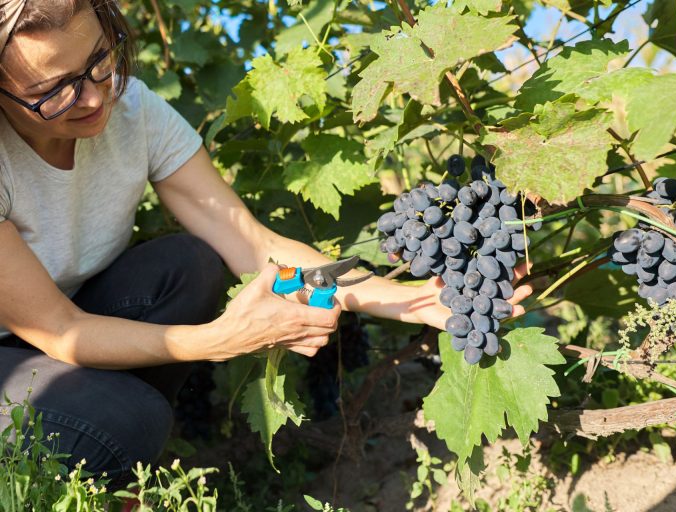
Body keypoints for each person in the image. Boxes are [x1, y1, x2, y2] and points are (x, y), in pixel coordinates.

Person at [0, 0, 532, 488]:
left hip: (59, 328)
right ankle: (95, 444)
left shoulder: (133, 111)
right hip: (29, 341)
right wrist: (221, 339)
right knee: (127, 421)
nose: (94, 95)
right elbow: (62, 331)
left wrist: (411, 301)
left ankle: (103, 439)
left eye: (99, 59)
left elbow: (253, 243)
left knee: (190, 264)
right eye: (54, 91)